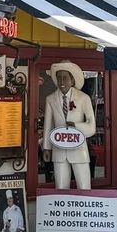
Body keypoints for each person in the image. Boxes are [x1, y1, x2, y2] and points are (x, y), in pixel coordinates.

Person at [42, 61, 96, 190]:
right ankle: (62, 210)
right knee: (60, 187)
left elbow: (92, 126)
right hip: (59, 151)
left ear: (72, 80)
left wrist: (77, 127)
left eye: (65, 78)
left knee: (84, 187)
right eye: (59, 78)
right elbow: (48, 125)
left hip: (79, 151)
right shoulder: (50, 99)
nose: (61, 81)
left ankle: (85, 209)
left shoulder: (84, 98)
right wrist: (46, 147)